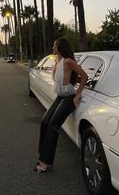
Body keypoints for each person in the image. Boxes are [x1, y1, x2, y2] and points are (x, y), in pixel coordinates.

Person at [35, 37, 88, 173]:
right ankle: (43, 156)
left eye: (54, 45)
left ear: (59, 47)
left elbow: (84, 76)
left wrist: (77, 94)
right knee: (45, 121)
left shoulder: (68, 62)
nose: (52, 48)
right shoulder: (57, 61)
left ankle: (45, 162)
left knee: (53, 125)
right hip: (60, 97)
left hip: (69, 98)